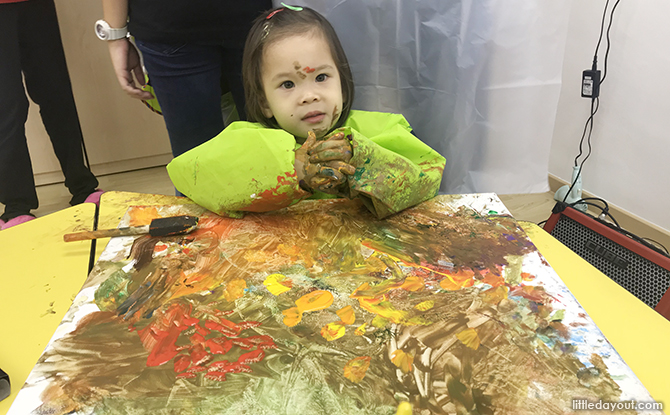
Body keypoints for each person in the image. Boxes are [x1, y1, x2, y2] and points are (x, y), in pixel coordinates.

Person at [167, 6, 446, 219]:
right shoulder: (247, 140)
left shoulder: (379, 131)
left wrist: (363, 162)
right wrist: (292, 168)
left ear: (343, 84)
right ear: (264, 102)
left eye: (322, 78)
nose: (310, 95)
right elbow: (190, 176)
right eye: (288, 84)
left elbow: (427, 178)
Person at [101, 0, 272, 157]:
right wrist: (114, 35)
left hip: (262, 23)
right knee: (197, 162)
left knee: (277, 148)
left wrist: (115, 35)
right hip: (171, 27)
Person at [0, 0, 102, 230]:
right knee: (6, 107)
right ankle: (15, 207)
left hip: (37, 4)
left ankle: (83, 187)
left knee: (57, 94)